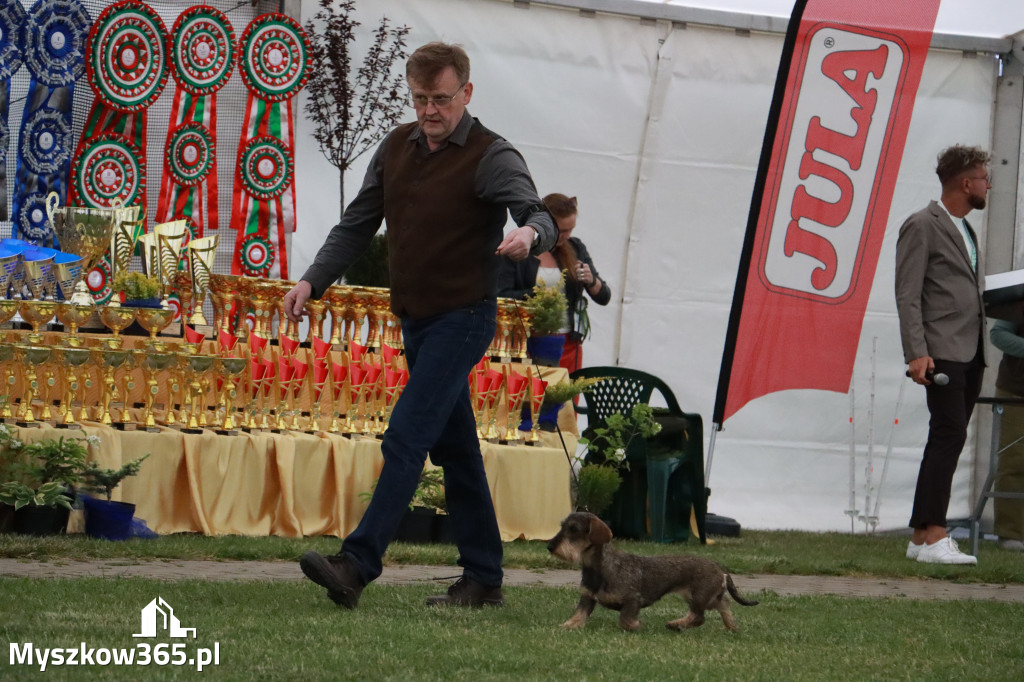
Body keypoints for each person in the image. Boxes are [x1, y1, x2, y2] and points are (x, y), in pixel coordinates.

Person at [284, 42, 556, 608]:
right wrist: (312, 280)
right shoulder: (395, 148)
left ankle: (356, 564)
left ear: (467, 94)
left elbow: (537, 212)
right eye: (420, 99)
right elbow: (356, 225)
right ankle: (484, 578)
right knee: (456, 450)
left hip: (465, 317)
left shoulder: (490, 154)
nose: (430, 111)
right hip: (417, 322)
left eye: (441, 99)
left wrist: (530, 235)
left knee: (407, 432)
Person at [895, 144, 990, 565]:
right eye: (985, 178)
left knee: (947, 436)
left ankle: (920, 536)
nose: (989, 185)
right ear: (966, 183)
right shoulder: (922, 224)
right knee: (950, 434)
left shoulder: (966, 229)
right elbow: (908, 294)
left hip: (970, 351)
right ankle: (935, 534)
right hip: (941, 353)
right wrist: (917, 352)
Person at [497, 193, 610, 372]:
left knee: (563, 397)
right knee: (531, 397)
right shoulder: (519, 249)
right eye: (561, 230)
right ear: (546, 224)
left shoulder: (575, 248)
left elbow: (604, 297)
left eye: (570, 229)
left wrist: (591, 280)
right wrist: (539, 295)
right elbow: (501, 294)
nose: (566, 235)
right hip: (525, 343)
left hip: (567, 343)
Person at [988, 312, 1024, 551]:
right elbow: (998, 334)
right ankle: (1011, 534)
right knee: (1014, 461)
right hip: (1016, 392)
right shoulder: (1020, 295)